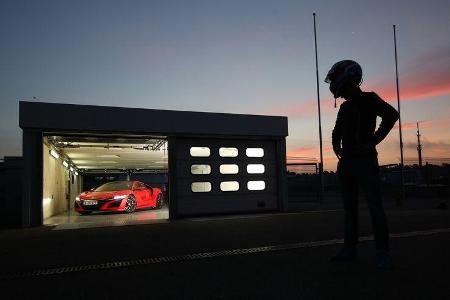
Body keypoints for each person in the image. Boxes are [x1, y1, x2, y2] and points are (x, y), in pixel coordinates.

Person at [324, 60, 399, 269]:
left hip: (366, 162)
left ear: (348, 78)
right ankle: (349, 249)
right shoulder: (346, 107)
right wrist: (335, 146)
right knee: (350, 208)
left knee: (375, 207)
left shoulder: (369, 99)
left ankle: (382, 253)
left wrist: (372, 142)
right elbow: (336, 130)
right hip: (347, 163)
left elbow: (392, 115)